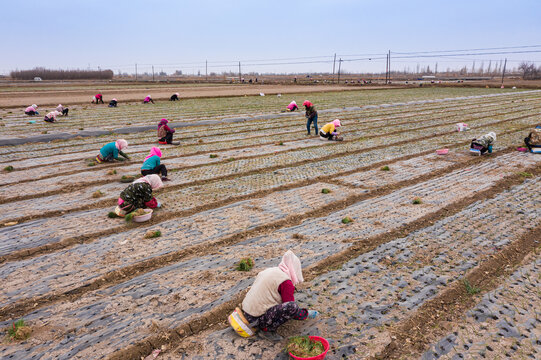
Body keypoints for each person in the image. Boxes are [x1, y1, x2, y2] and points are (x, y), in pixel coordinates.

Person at [240, 250, 318, 339]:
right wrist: (306, 314)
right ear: (295, 269)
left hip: (245, 310)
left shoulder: (271, 270)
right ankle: (266, 330)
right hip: (254, 319)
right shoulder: (286, 282)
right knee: (292, 307)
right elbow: (291, 309)